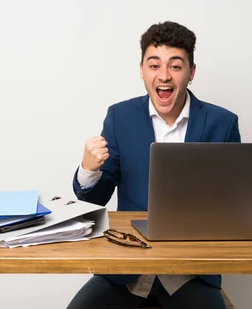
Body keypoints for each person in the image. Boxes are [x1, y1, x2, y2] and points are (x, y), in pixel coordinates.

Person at [67, 21, 241, 309]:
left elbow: (235, 202)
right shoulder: (119, 116)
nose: (164, 76)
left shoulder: (222, 123)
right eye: (154, 65)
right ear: (141, 70)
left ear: (191, 72)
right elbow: (95, 200)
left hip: (189, 272)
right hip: (128, 269)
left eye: (175, 66)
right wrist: (88, 170)